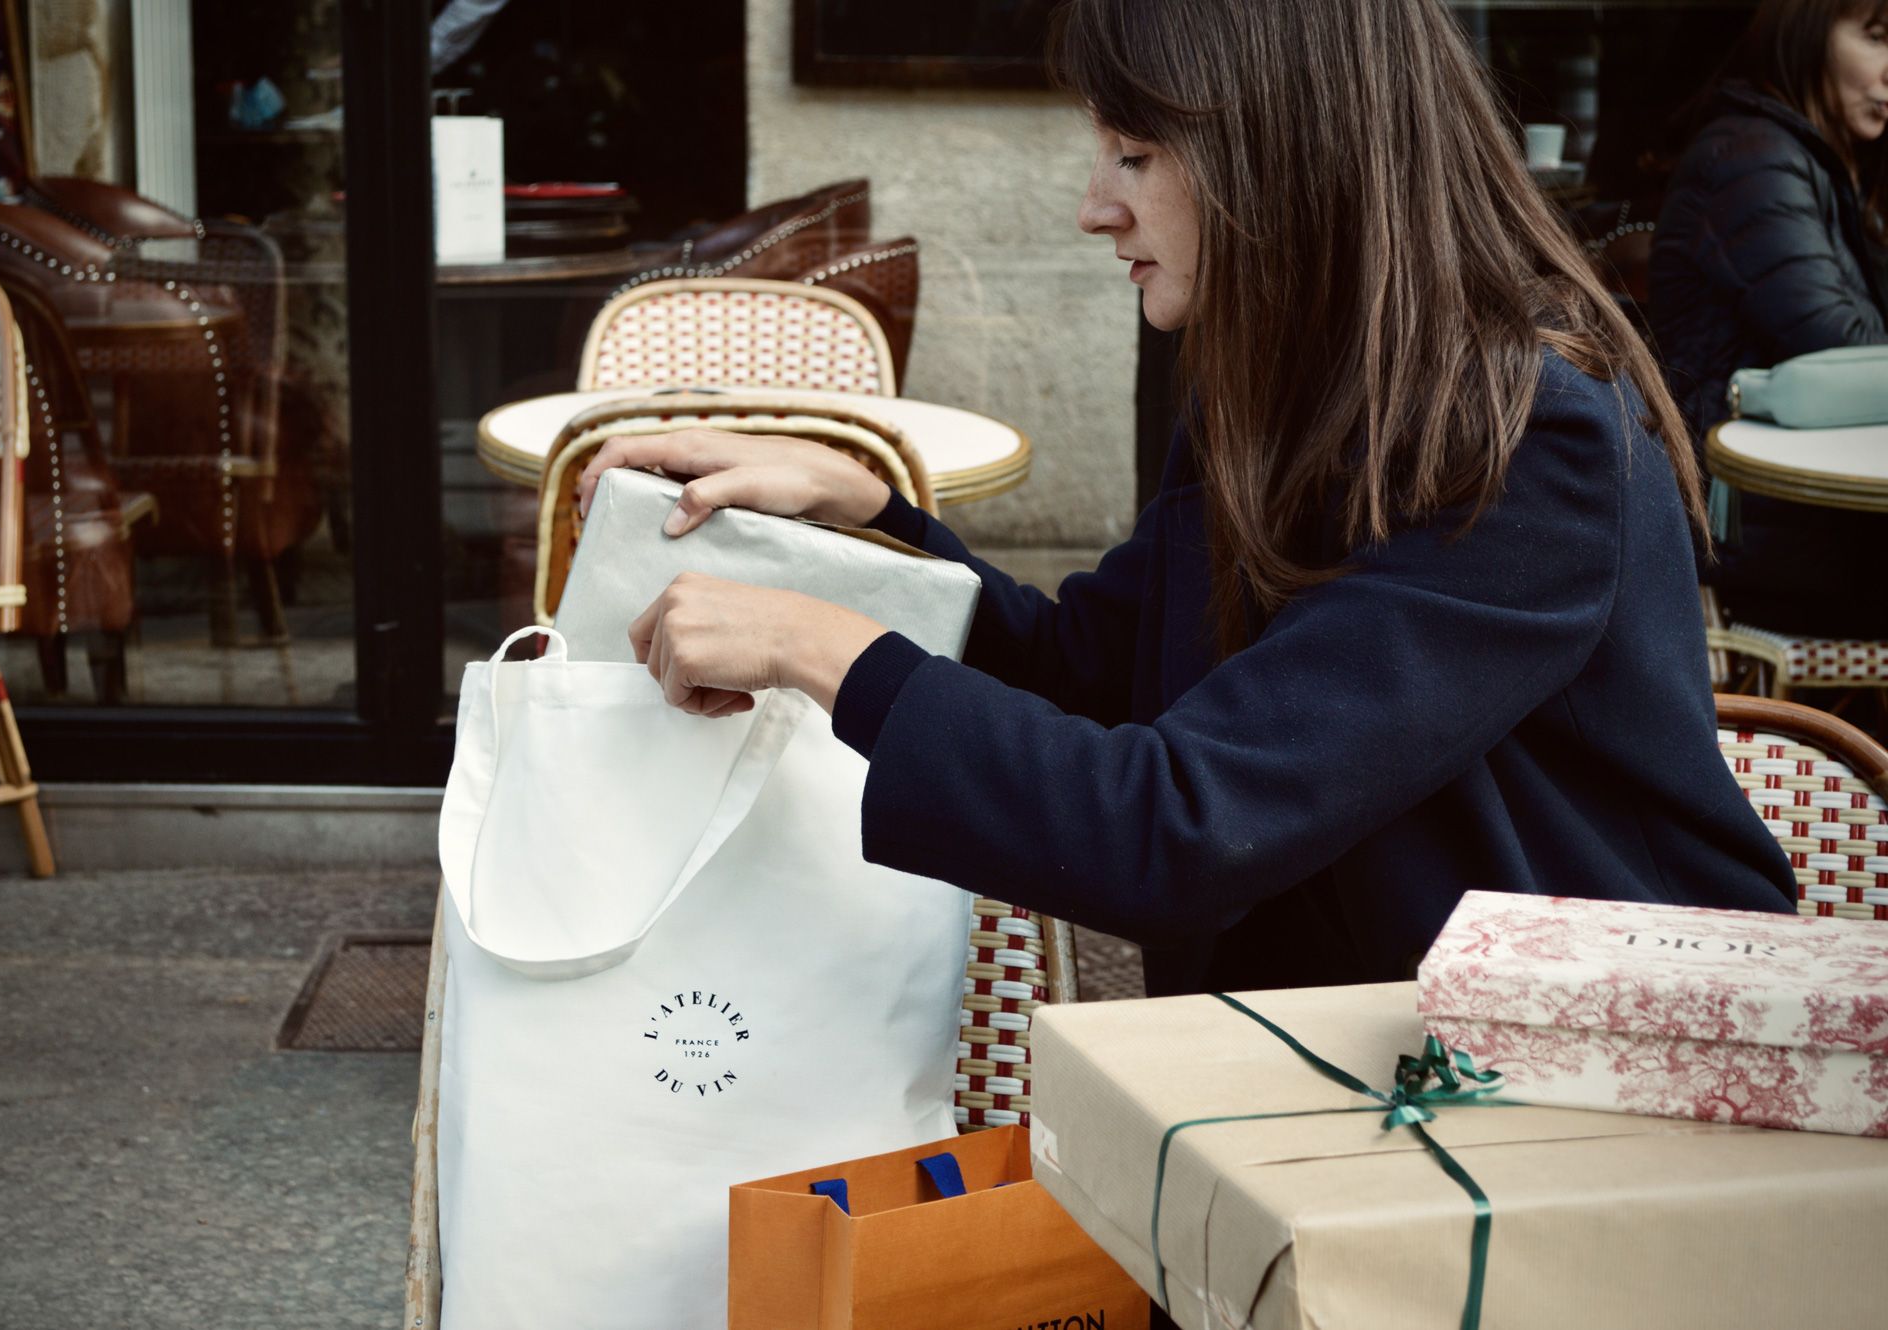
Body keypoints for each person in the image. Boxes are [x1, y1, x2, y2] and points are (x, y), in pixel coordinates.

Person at [577, 0, 1797, 996]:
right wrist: (869, 522)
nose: (1093, 206)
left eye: (1135, 156)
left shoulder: (1530, 438)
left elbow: (1178, 825)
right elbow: (1093, 663)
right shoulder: (1275, 390)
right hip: (1358, 1053)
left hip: (1587, 1094)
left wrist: (819, 647)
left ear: (1289, 154)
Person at [1650, 0, 1888, 637]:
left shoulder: (1814, 161)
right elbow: (1849, 346)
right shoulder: (1753, 160)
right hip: (1757, 526)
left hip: (1798, 514)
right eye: (1877, 37)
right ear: (1805, 31)